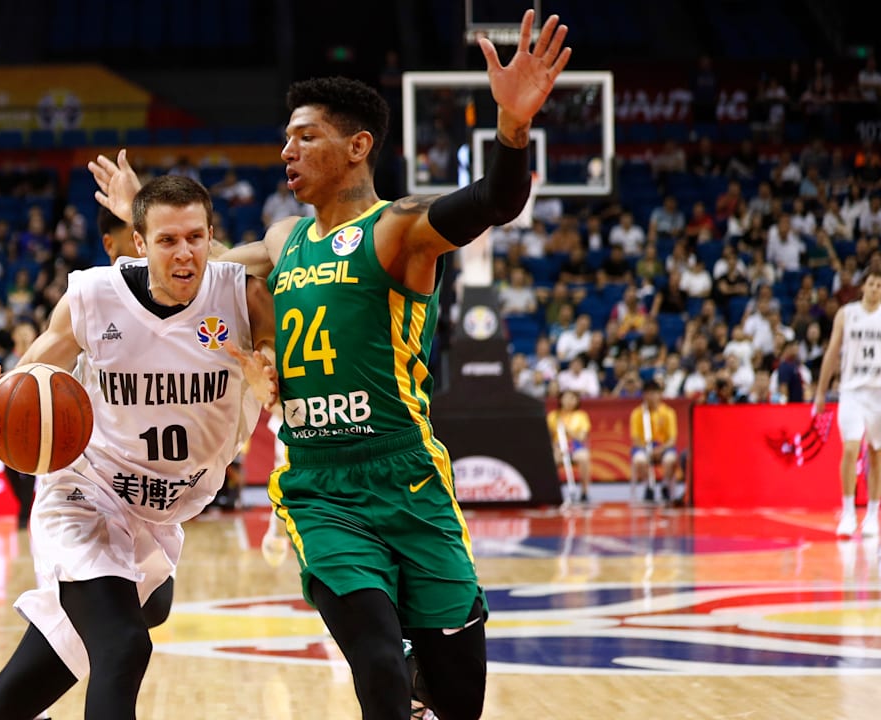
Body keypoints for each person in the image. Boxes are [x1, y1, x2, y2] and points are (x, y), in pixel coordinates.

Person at [89, 10, 568, 720]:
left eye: (304, 136)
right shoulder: (284, 241)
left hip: (408, 473)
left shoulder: (399, 230)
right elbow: (202, 266)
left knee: (459, 694)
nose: (287, 149)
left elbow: (494, 200)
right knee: (375, 662)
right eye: (286, 137)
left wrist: (513, 126)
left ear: (356, 147)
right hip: (321, 484)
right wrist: (146, 225)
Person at [0, 175, 274, 720]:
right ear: (139, 245)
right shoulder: (95, 297)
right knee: (123, 646)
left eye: (195, 237)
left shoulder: (241, 295)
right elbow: (30, 373)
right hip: (86, 497)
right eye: (167, 240)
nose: (184, 252)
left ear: (211, 236)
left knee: (6, 706)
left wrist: (267, 360)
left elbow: (273, 309)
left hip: (158, 520)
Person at [813, 268, 881, 538]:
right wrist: (820, 391)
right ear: (863, 286)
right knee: (851, 449)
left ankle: (873, 514)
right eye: (872, 284)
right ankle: (849, 512)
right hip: (851, 391)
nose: (875, 289)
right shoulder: (847, 314)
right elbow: (831, 352)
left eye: (880, 285)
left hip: (878, 392)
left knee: (876, 455)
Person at [630, 379, 680, 504]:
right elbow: (635, 439)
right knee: (639, 460)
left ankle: (665, 486)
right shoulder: (637, 413)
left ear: (660, 394)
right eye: (648, 393)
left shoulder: (668, 412)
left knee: (670, 459)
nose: (651, 396)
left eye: (654, 393)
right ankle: (649, 486)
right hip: (643, 446)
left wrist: (660, 449)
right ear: (644, 395)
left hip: (663, 447)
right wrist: (648, 449)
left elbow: (672, 439)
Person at [548, 390, 593, 503]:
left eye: (572, 398)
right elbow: (547, 437)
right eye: (566, 398)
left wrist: (567, 430)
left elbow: (582, 437)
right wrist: (555, 448)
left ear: (577, 401)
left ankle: (584, 492)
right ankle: (553, 492)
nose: (569, 401)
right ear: (561, 400)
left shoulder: (582, 416)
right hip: (558, 447)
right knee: (550, 459)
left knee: (584, 457)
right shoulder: (553, 416)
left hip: (575, 447)